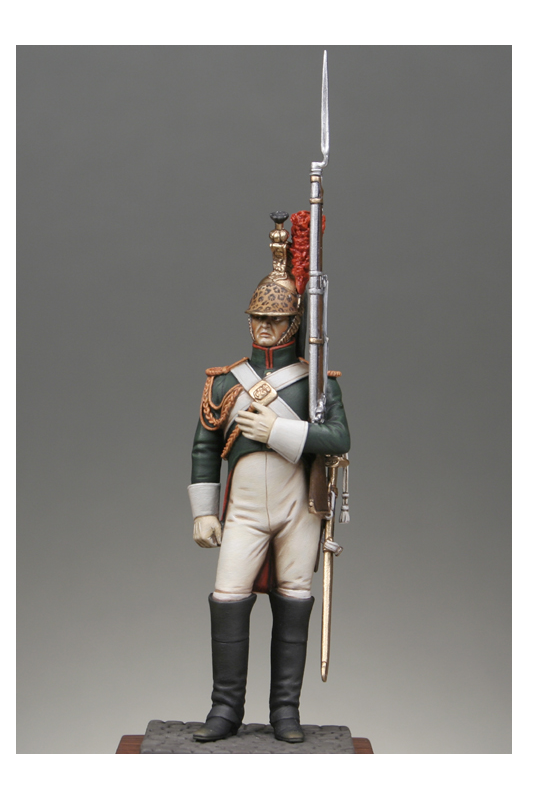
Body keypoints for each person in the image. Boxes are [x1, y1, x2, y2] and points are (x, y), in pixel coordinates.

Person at [187, 213, 351, 743]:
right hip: (243, 513)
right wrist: (204, 513)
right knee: (228, 597)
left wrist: (278, 430)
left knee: (294, 598)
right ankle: (225, 709)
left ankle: (285, 711)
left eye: (275, 319)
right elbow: (205, 446)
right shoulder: (225, 383)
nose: (264, 326)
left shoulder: (316, 382)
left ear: (293, 323)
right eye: (258, 317)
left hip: (298, 508)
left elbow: (339, 439)